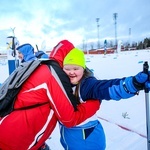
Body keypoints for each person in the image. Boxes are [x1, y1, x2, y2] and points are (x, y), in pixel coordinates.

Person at [0, 40, 100, 150]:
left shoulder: (42, 66)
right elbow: (69, 119)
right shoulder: (53, 75)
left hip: (15, 133)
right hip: (15, 142)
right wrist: (95, 102)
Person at [53, 47, 150, 150]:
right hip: (70, 139)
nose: (71, 72)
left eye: (75, 68)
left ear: (83, 68)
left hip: (87, 139)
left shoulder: (87, 85)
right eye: (67, 69)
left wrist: (132, 84)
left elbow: (107, 88)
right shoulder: (63, 84)